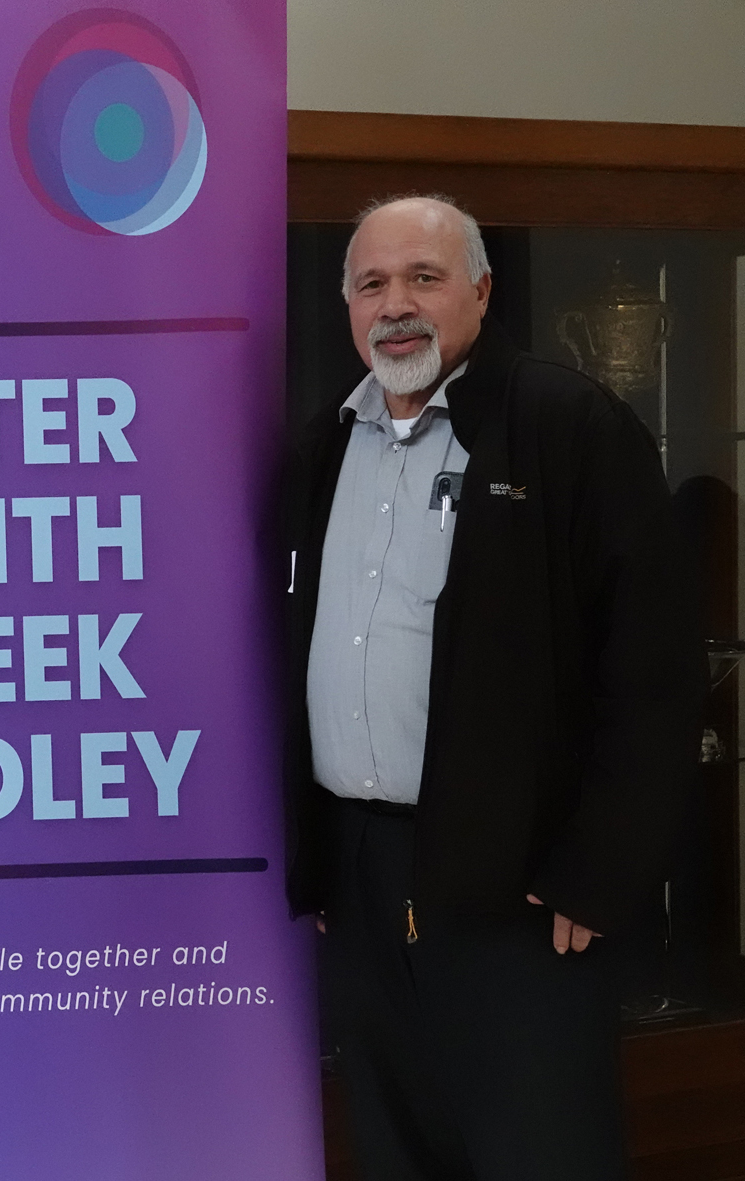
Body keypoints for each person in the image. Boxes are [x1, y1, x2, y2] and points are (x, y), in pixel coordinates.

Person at [282, 194, 705, 1180]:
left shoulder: (565, 426)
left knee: (535, 1146)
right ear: (344, 304)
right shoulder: (321, 449)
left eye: (422, 277)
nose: (395, 304)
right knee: (397, 1142)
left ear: (479, 287)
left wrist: (599, 866)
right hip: (360, 876)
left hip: (522, 885)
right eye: (370, 283)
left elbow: (650, 671)